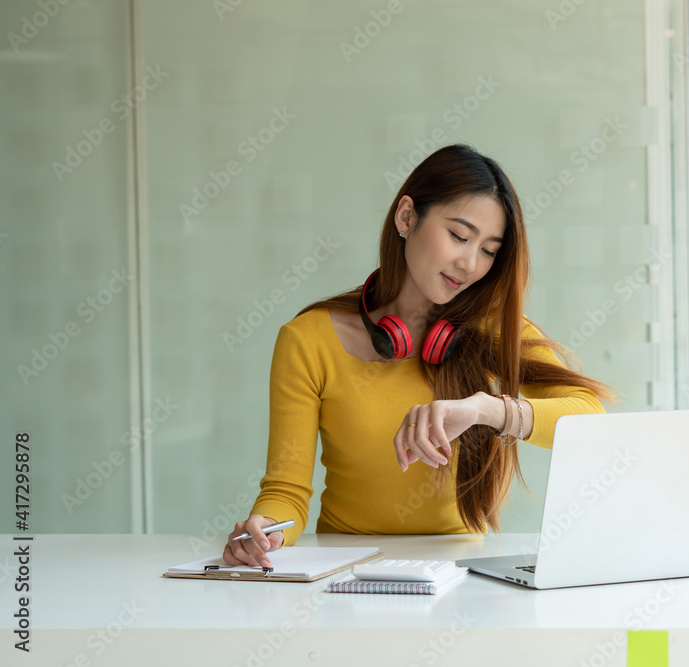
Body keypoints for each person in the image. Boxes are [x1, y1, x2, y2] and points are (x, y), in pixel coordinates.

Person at [224, 144, 619, 569]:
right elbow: (286, 492)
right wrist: (263, 531)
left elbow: (590, 417)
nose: (469, 263)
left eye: (488, 250)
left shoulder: (495, 328)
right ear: (406, 217)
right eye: (459, 236)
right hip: (347, 570)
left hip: (462, 576)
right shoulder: (308, 340)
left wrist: (487, 409)